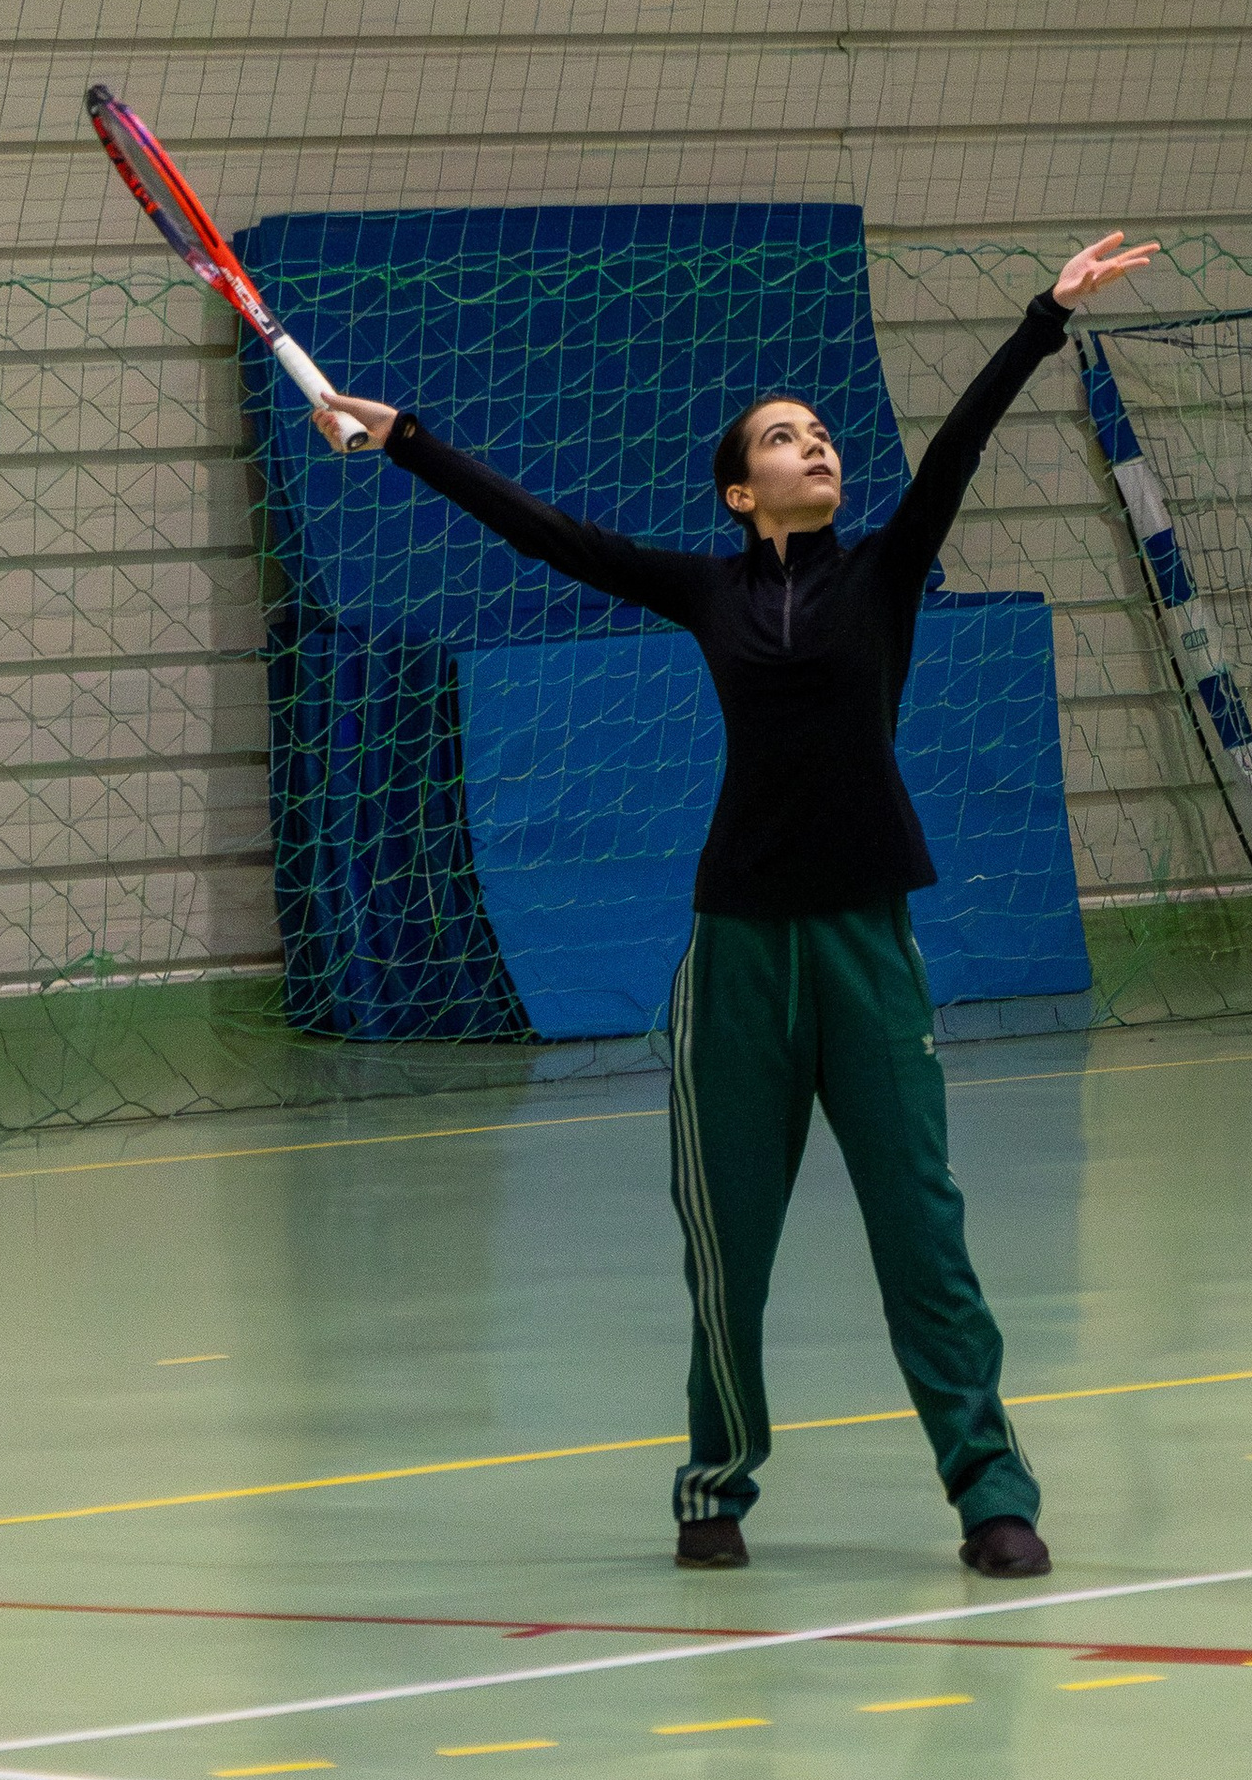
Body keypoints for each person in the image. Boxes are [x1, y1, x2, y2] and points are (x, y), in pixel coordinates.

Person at [321, 227, 1157, 1577]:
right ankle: (714, 1486)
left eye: (821, 432)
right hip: (737, 956)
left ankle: (991, 1491)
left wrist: (1043, 319)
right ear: (737, 490)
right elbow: (544, 534)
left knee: (922, 1233)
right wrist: (404, 436)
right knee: (730, 1244)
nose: (816, 445)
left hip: (867, 945)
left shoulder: (886, 570)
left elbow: (958, 451)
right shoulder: (700, 586)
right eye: (785, 436)